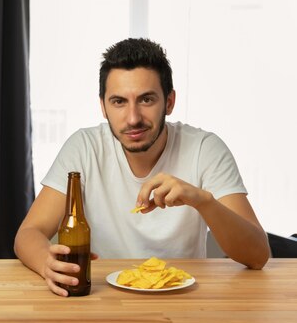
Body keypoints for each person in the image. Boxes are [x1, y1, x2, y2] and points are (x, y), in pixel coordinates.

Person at [14, 38, 269, 297]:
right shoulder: (84, 147)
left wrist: (203, 201)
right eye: (119, 102)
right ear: (103, 106)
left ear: (169, 102)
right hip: (102, 300)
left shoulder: (205, 149)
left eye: (146, 100)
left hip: (181, 302)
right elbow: (28, 233)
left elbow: (258, 255)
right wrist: (47, 262)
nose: (133, 118)